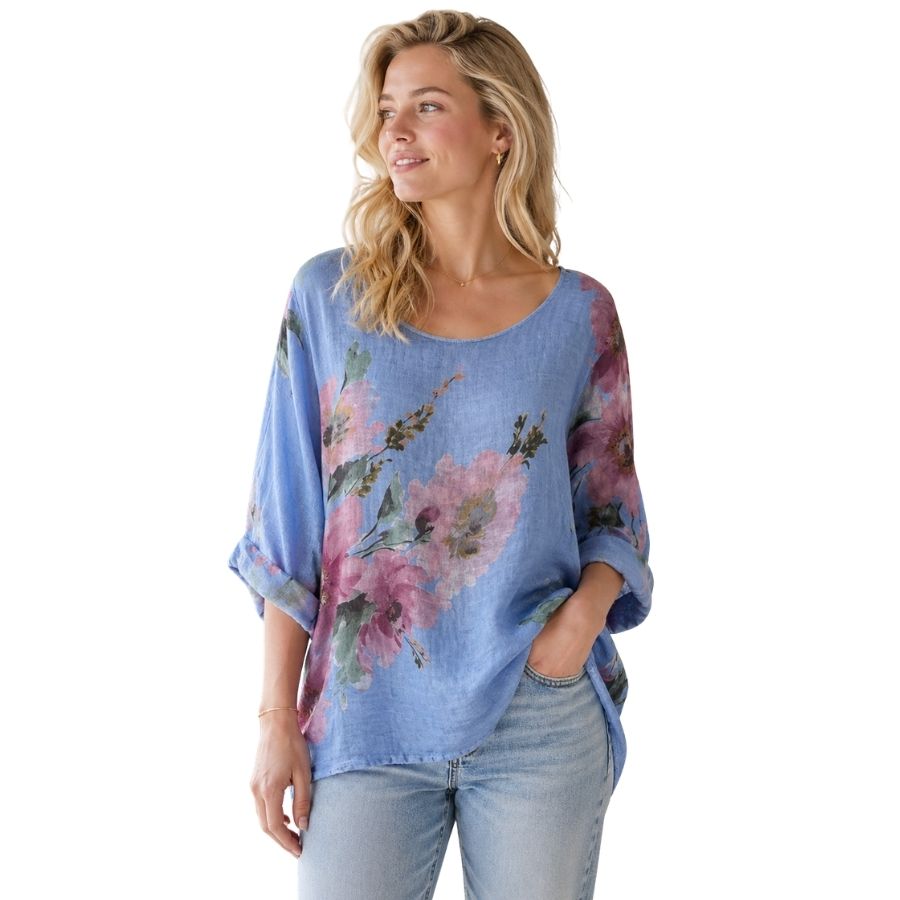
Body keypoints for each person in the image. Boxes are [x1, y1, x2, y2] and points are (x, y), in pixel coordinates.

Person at [227, 9, 654, 898]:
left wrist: (573, 631)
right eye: (387, 111)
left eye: (426, 106)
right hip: (365, 714)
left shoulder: (580, 313)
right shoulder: (331, 299)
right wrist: (275, 717)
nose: (396, 132)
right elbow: (287, 526)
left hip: (535, 712)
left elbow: (611, 512)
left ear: (501, 129)